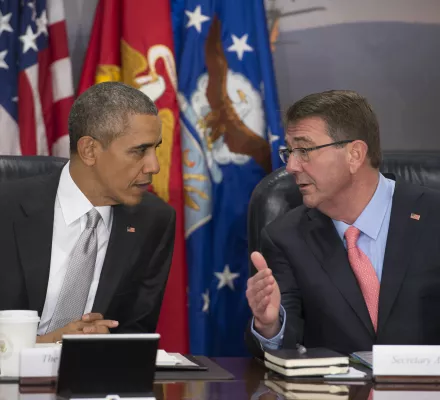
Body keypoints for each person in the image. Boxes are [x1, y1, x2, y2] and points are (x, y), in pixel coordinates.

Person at [246, 90, 440, 356]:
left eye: (304, 150)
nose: (291, 166)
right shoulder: (285, 238)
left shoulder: (433, 217)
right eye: (289, 152)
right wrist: (270, 326)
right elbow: (287, 346)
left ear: (355, 155)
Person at [0, 82, 176, 343]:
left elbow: (136, 331)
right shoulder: (7, 206)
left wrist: (107, 341)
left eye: (155, 149)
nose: (154, 166)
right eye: (139, 151)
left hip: (94, 378)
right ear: (90, 151)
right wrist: (47, 344)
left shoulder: (154, 220)